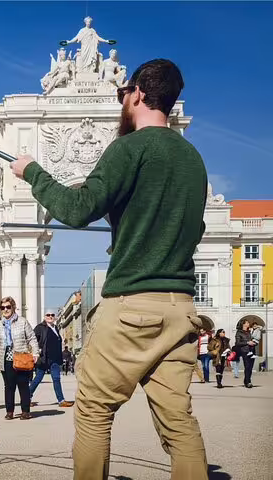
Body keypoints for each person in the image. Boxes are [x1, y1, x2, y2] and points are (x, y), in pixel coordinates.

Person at [11, 59, 209, 479]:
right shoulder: (193, 160)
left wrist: (32, 172)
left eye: (124, 94)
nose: (123, 100)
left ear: (136, 93)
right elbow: (195, 228)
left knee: (94, 410)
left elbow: (79, 209)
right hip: (180, 309)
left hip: (132, 306)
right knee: (179, 423)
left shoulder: (129, 147)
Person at [0, 297, 39, 420]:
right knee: (9, 386)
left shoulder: (22, 321)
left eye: (8, 307)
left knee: (23, 385)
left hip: (21, 357)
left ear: (13, 307)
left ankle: (25, 411)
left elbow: (32, 338)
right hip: (5, 359)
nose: (5, 310)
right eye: (2, 307)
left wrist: (35, 353)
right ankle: (10, 411)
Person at [29, 310, 75, 408]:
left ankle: (61, 400)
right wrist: (36, 352)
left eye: (52, 315)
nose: (50, 316)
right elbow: (32, 340)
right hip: (44, 358)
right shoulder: (40, 327)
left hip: (54, 359)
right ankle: (27, 398)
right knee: (37, 378)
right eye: (48, 315)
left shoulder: (55, 328)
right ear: (44, 317)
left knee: (56, 379)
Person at [235, 320, 256, 389]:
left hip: (252, 350)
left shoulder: (249, 332)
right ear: (243, 324)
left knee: (250, 367)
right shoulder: (239, 333)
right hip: (245, 351)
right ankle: (248, 382)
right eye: (247, 322)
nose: (248, 323)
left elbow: (260, 328)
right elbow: (237, 343)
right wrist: (247, 342)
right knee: (247, 366)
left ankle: (246, 380)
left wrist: (253, 342)